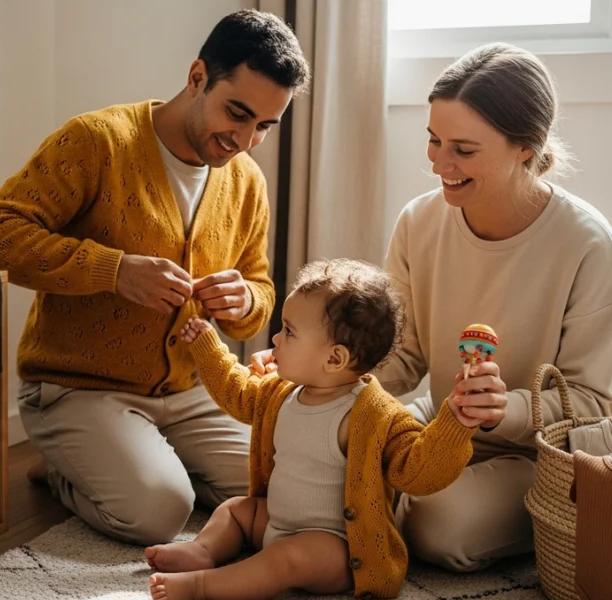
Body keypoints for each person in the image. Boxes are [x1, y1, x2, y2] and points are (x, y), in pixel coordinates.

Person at [251, 42, 612, 572]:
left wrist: (503, 409)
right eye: (433, 140)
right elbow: (400, 357)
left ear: (526, 147)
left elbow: (595, 402)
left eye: (463, 150)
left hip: (535, 454)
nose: (440, 163)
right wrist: (312, 374)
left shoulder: (589, 244)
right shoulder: (418, 221)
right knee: (299, 451)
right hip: (438, 424)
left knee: (439, 525)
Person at [0, 9, 311, 545]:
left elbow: (261, 294)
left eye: (264, 126)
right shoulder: (96, 141)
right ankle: (64, 470)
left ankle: (139, 459)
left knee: (292, 486)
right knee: (159, 512)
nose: (245, 141)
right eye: (237, 114)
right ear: (197, 77)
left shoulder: (247, 181)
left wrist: (244, 302)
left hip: (193, 389)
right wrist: (114, 271)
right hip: (81, 387)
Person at [145, 259, 491, 600]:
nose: (276, 340)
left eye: (289, 332)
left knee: (285, 559)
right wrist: (208, 348)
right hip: (278, 522)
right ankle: (204, 550)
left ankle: (203, 586)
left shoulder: (376, 415)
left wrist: (455, 423)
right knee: (237, 509)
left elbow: (419, 472)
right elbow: (235, 393)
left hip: (337, 550)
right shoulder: (280, 392)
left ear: (334, 359)